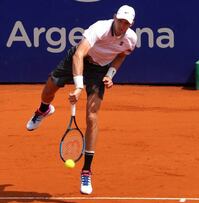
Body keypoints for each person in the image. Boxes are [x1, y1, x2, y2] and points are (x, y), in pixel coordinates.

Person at [26, 5, 137, 195]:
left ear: (131, 24)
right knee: (48, 90)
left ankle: (86, 170)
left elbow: (121, 55)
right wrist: (78, 86)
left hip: (99, 70)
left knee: (92, 116)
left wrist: (111, 74)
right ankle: (44, 109)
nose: (122, 25)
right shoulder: (99, 28)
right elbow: (79, 54)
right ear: (114, 18)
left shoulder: (131, 39)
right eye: (120, 21)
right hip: (78, 61)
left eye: (126, 23)